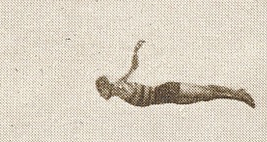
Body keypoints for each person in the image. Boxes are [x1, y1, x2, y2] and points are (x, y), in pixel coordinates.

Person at [95, 40, 254, 109]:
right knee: (206, 96)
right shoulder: (118, 89)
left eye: (100, 91)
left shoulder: (118, 86)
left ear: (105, 87)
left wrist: (135, 51)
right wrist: (135, 52)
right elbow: (133, 68)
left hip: (168, 90)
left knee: (206, 91)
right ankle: (238, 96)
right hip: (168, 98)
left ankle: (238, 93)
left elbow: (133, 68)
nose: (101, 96)